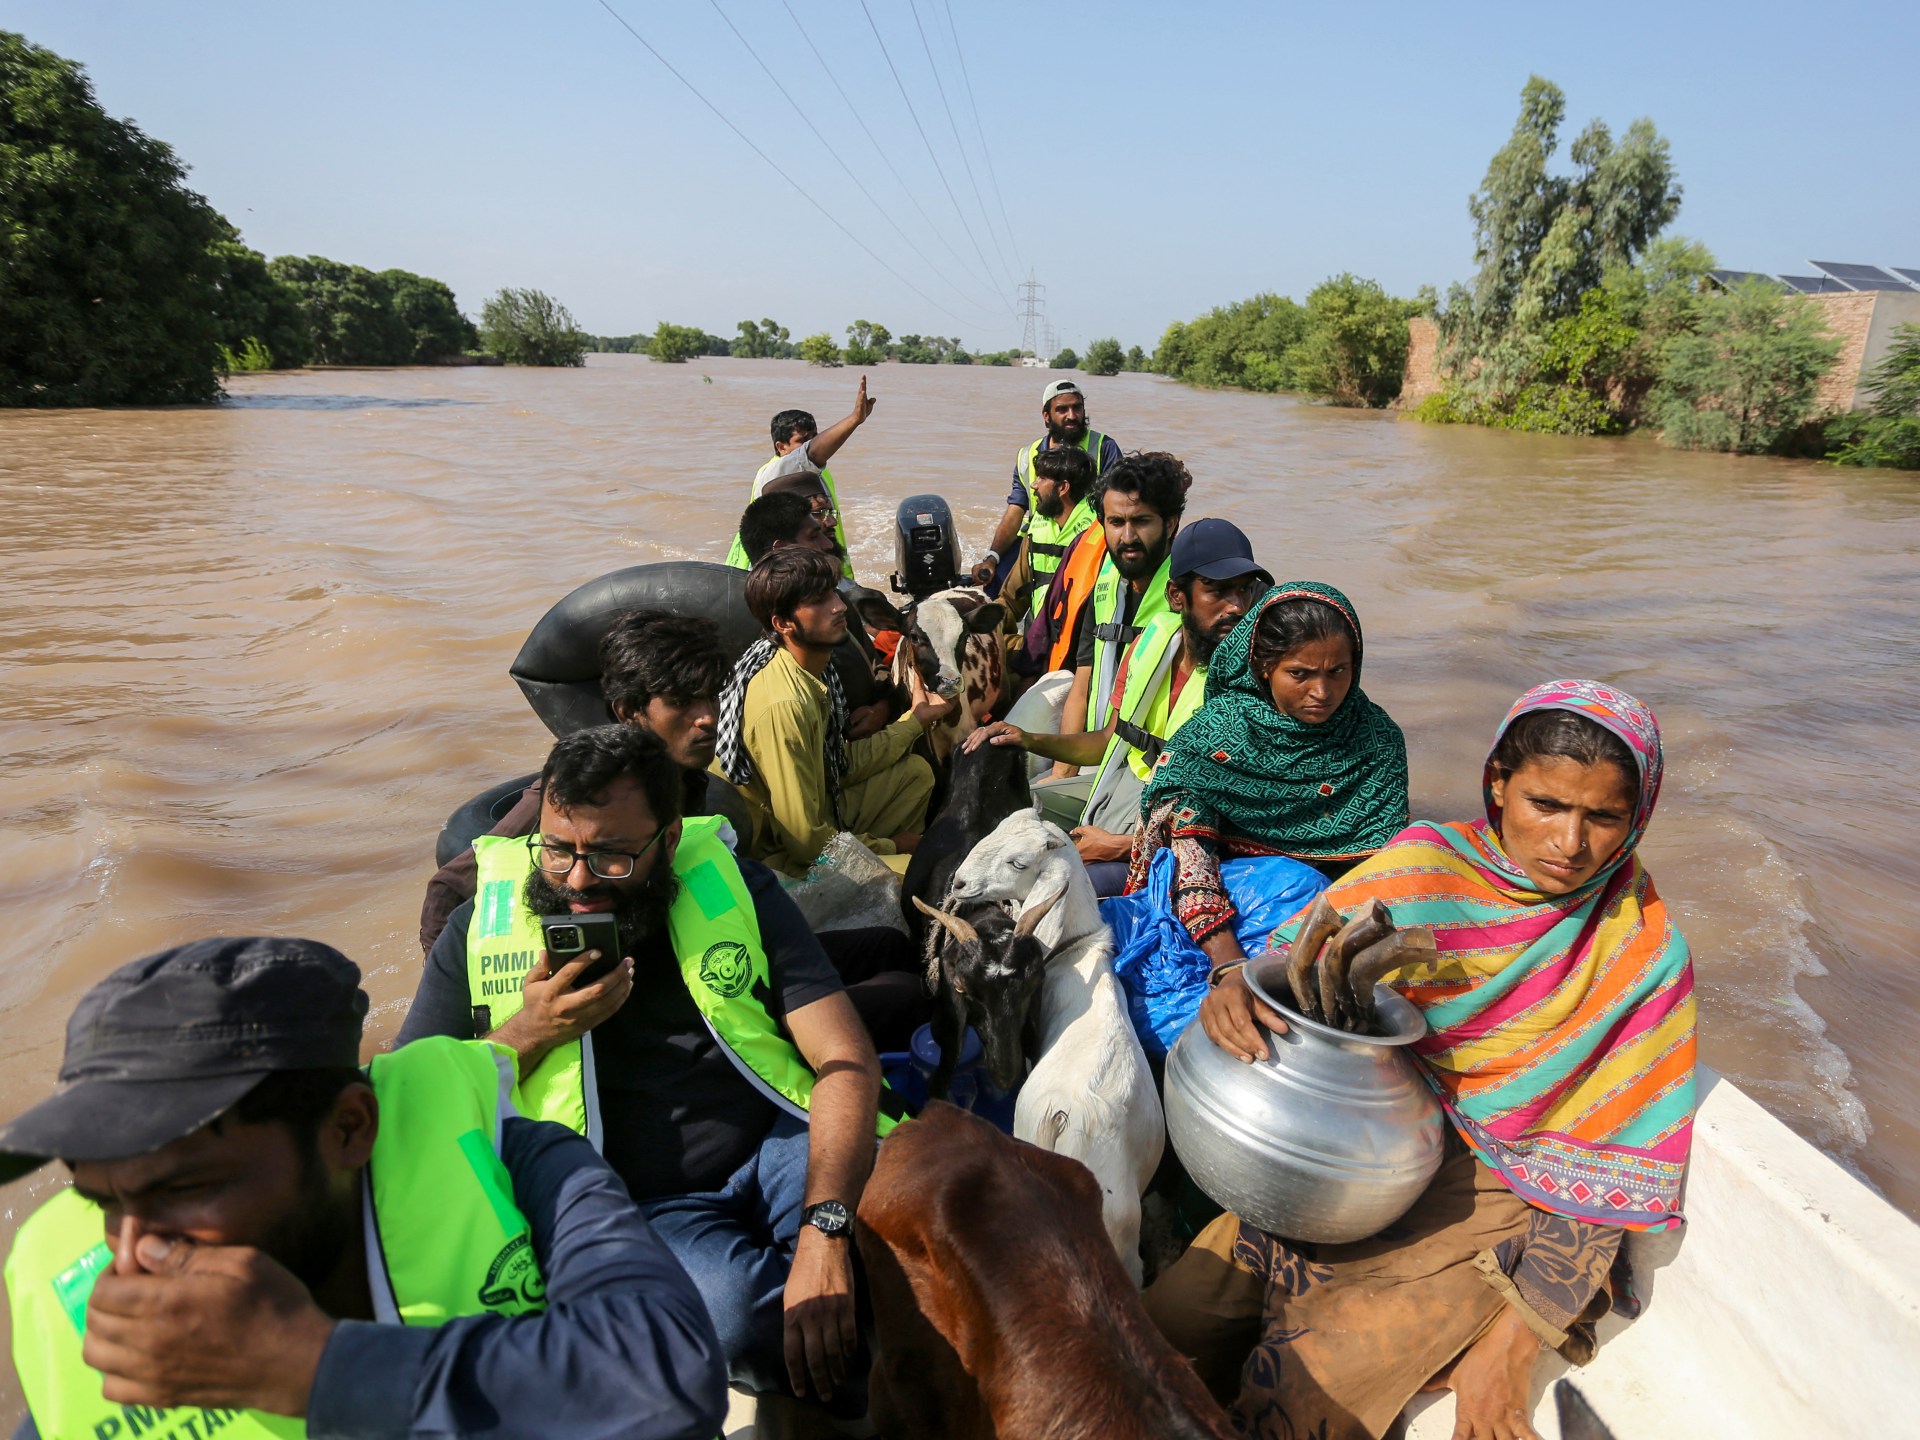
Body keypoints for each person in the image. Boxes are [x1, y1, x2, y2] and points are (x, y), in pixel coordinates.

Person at [1145, 682, 1698, 1440]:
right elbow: (1290, 973)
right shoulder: (1423, 869)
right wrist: (1234, 990)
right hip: (1356, 1158)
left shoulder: (1640, 950)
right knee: (1163, 1329)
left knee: (1307, 1399)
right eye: (1545, 804)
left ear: (1637, 819)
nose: (1570, 844)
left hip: (1498, 1198)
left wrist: (1511, 1343)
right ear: (1498, 782)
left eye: (1602, 817)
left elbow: (1607, 1169)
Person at [1, 935, 726, 1440]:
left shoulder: (513, 1160)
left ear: (349, 1129)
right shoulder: (76, 1305)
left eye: (187, 1187)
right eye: (103, 1204)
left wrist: (313, 1368)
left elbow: (664, 1379)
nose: (131, 1256)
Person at [400, 724, 908, 1418]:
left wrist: (824, 1228)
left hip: (780, 1142)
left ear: (668, 841)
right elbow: (410, 1103)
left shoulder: (735, 891)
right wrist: (534, 1029)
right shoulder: (474, 934)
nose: (578, 881)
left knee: (895, 1242)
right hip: (644, 1205)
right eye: (558, 852)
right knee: (732, 1320)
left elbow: (845, 1059)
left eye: (611, 858)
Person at [966, 518, 1268, 895]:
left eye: (1244, 591)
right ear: (1177, 595)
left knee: (1068, 888)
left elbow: (1237, 824)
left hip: (1174, 836)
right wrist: (1029, 739)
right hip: (1118, 789)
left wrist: (1114, 846)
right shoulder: (1151, 643)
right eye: (1218, 591)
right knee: (1000, 821)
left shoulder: (1255, 681)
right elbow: (1110, 740)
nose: (1237, 607)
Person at [418, 607, 736, 954]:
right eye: (680, 702)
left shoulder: (688, 782)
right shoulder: (577, 797)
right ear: (629, 711)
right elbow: (448, 886)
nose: (708, 717)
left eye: (713, 697)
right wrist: (449, 992)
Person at [1129, 581, 1409, 969]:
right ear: (1264, 667)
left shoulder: (1377, 740)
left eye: (1338, 671)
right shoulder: (1217, 734)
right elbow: (1190, 855)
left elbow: (1382, 867)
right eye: (1300, 674)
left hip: (1332, 918)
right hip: (1216, 918)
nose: (1322, 691)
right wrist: (1227, 963)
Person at [716, 548, 948, 877]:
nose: (839, 607)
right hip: (775, 855)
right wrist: (893, 846)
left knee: (916, 775)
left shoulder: (811, 664)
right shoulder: (785, 704)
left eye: (833, 594)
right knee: (922, 871)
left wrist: (916, 719)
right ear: (783, 623)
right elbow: (805, 841)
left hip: (821, 807)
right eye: (818, 601)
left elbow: (837, 766)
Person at [1055, 450, 1189, 746]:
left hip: (1155, 766)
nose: (1127, 537)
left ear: (1169, 524)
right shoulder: (1105, 589)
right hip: (1098, 752)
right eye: (1116, 522)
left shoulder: (1195, 593)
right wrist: (1062, 771)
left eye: (1140, 521)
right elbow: (1082, 685)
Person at [971, 378, 1123, 591]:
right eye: (1062, 409)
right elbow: (1016, 509)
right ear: (1046, 415)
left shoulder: (1104, 448)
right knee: (996, 586)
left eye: (1077, 407)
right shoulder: (1028, 455)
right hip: (1038, 538)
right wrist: (992, 556)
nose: (1072, 415)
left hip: (1087, 540)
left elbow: (1119, 506)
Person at [724, 379, 876, 578]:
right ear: (781, 447)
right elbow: (810, 454)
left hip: (815, 557)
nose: (811, 442)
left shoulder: (818, 472)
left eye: (815, 436)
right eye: (803, 440)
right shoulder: (774, 472)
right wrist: (854, 419)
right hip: (773, 567)